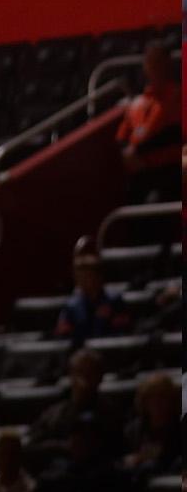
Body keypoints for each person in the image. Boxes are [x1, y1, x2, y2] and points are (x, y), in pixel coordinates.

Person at [116, 43, 181, 202]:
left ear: (168, 64)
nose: (153, 68)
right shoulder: (138, 103)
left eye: (157, 62)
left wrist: (137, 151)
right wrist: (128, 153)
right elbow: (122, 135)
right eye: (150, 63)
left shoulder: (178, 97)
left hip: (170, 171)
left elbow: (174, 133)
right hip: (139, 172)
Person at [55, 238, 132, 343]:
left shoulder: (114, 301)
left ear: (99, 277)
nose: (83, 281)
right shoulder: (71, 306)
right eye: (80, 277)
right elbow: (64, 336)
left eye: (88, 276)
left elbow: (122, 332)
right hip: (79, 354)